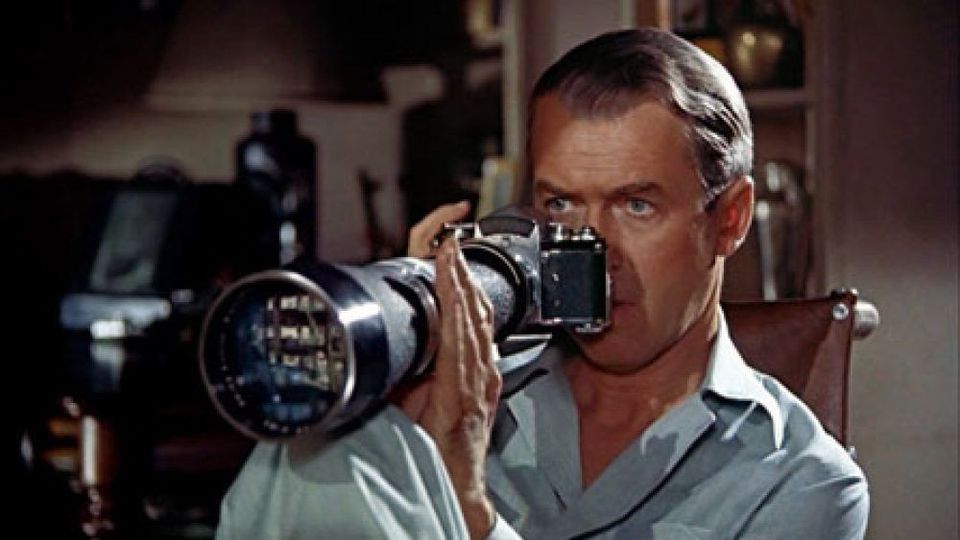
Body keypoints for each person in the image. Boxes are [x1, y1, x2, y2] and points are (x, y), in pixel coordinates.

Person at [216, 28, 869, 539]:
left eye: (636, 205)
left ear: (729, 220)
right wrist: (391, 377)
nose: (589, 250)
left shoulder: (802, 482)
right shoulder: (465, 387)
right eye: (560, 204)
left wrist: (465, 504)